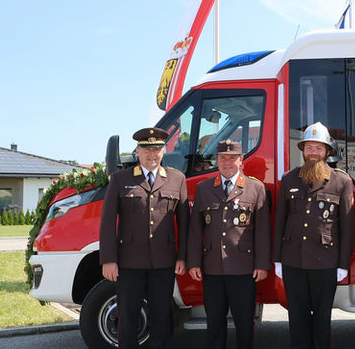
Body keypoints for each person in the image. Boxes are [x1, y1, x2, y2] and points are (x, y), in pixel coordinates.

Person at [99, 127, 189, 349]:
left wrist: (183, 256)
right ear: (137, 151)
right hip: (129, 263)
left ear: (164, 151)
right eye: (147, 149)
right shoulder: (120, 179)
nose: (152, 154)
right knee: (127, 318)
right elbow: (108, 222)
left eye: (157, 149)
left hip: (164, 262)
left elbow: (185, 224)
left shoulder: (177, 179)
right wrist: (108, 259)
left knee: (162, 318)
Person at [273, 122, 355, 349]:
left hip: (325, 262)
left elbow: (347, 228)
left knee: (322, 321)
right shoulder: (289, 179)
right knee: (297, 320)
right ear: (303, 150)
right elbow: (280, 221)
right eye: (309, 147)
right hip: (293, 261)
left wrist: (343, 264)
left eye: (319, 148)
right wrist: (278, 259)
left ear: (327, 152)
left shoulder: (342, 181)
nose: (313, 153)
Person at [187, 140, 271, 349]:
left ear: (241, 160)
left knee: (245, 325)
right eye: (223, 158)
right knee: (214, 324)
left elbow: (262, 231)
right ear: (217, 160)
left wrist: (262, 264)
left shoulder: (255, 188)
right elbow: (196, 231)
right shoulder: (203, 189)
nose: (227, 162)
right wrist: (194, 263)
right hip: (213, 269)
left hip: (244, 268)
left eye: (232, 158)